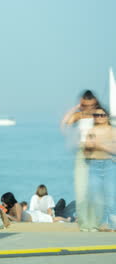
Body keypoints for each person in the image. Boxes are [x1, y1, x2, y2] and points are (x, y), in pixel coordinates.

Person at [61, 90, 100, 231]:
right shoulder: (79, 115)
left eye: (91, 105)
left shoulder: (100, 115)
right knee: (81, 189)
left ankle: (94, 223)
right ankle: (84, 223)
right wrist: (76, 108)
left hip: (98, 153)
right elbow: (65, 124)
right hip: (82, 153)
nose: (88, 108)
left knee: (95, 191)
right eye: (85, 105)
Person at [84, 106, 115, 232]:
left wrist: (99, 145)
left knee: (111, 195)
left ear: (107, 116)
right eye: (96, 115)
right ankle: (101, 223)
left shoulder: (113, 131)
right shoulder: (91, 130)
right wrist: (88, 147)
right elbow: (86, 152)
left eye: (102, 115)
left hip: (110, 165)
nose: (99, 118)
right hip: (94, 165)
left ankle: (113, 224)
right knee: (96, 196)